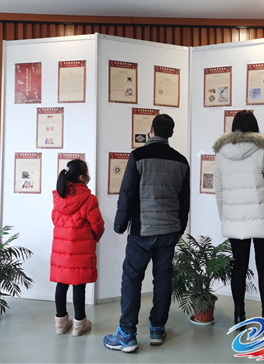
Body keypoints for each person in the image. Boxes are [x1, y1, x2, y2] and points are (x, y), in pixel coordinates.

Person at [104, 114, 190, 353]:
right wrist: (180, 228)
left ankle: (127, 334)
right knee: (163, 280)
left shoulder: (138, 156)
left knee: (132, 278)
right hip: (169, 231)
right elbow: (184, 200)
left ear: (151, 130)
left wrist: (120, 224)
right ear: (170, 134)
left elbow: (127, 193)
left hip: (142, 231)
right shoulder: (181, 161)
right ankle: (157, 329)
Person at [212, 110, 264, 332]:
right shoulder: (263, 151)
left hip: (235, 222)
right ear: (254, 127)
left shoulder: (221, 154)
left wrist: (225, 216)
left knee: (238, 268)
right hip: (263, 218)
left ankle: (239, 316)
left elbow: (219, 191)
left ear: (233, 127)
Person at [50, 159, 105, 336]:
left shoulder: (59, 197)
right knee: (78, 285)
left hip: (60, 248)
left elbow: (55, 220)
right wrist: (95, 237)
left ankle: (60, 323)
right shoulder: (89, 199)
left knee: (61, 284)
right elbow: (97, 225)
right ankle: (79, 324)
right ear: (82, 177)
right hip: (80, 249)